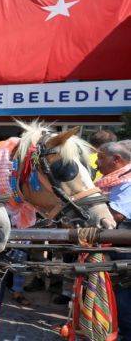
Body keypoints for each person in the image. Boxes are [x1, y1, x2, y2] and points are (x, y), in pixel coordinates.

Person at [95, 141, 131, 339]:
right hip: (118, 251)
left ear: (116, 159)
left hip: (125, 255)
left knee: (124, 303)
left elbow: (115, 215)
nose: (97, 163)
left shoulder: (128, 182)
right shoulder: (115, 180)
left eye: (100, 158)